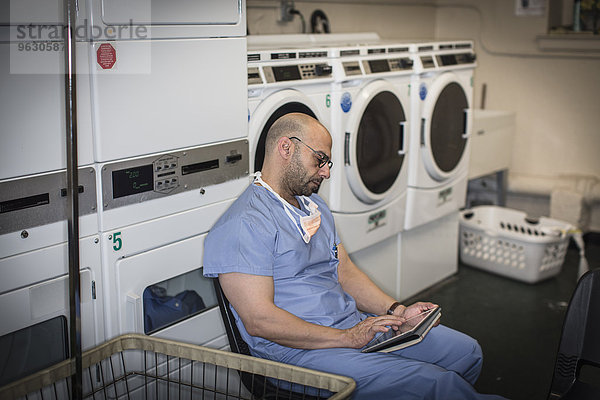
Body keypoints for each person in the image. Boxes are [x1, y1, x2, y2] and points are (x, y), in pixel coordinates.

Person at [204, 113, 506, 399]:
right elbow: (260, 321)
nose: (327, 171)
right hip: (298, 352)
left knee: (466, 353)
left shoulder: (313, 207)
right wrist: (348, 338)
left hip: (351, 325)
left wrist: (398, 311)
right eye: (320, 159)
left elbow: (345, 273)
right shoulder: (244, 224)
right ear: (286, 148)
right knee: (436, 386)